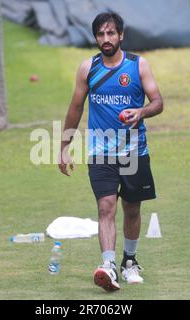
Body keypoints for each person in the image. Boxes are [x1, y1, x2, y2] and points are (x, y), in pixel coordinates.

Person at [58, 12, 164, 292]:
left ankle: (129, 262)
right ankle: (108, 265)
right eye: (101, 34)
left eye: (111, 33)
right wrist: (64, 146)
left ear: (121, 35)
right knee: (106, 207)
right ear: (96, 38)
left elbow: (158, 102)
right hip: (100, 153)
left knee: (132, 208)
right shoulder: (87, 68)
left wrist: (141, 112)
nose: (106, 39)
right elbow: (76, 108)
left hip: (133, 151)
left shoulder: (138, 65)